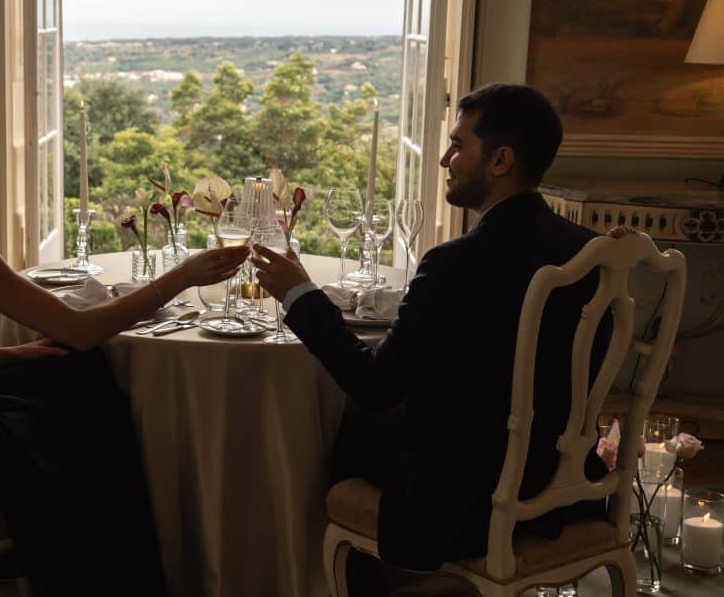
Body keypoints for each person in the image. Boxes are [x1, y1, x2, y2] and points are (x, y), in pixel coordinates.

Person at [0, 87, 248, 595]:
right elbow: (80, 329)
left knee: (52, 370)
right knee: (86, 391)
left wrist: (16, 353)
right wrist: (181, 277)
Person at [253, 83, 609, 585]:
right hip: (562, 487)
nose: (445, 158)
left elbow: (377, 386)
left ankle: (343, 582)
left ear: (501, 160)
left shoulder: (457, 262)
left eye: (459, 145)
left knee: (335, 428)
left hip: (466, 501)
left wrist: (299, 296)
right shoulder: (590, 253)